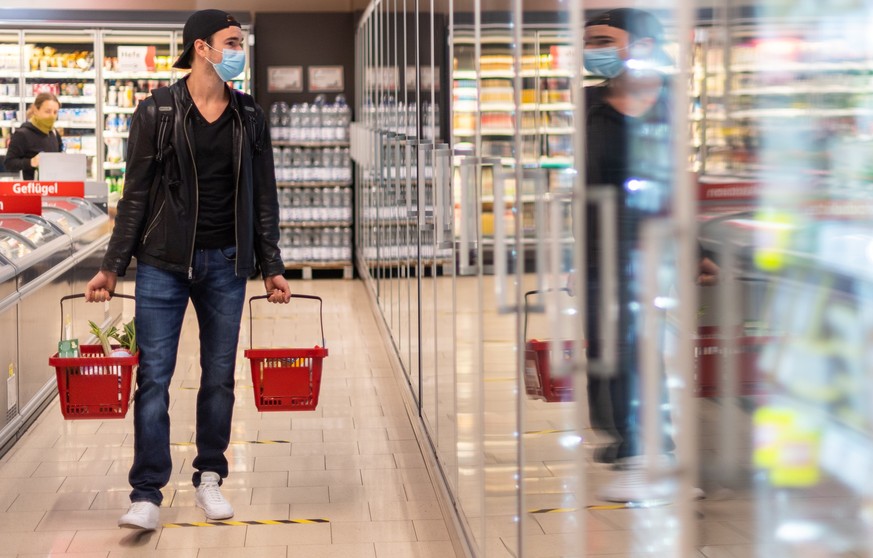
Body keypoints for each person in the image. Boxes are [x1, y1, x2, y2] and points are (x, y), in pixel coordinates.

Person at [85, 9, 291, 531]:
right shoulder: (156, 112)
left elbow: (264, 197)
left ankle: (209, 477)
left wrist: (272, 265)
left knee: (219, 377)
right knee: (153, 377)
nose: (237, 50)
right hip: (163, 263)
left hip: (226, 262)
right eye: (231, 41)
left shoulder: (250, 117)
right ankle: (147, 492)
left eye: (239, 42)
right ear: (201, 47)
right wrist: (112, 266)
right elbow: (134, 196)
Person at [582, 8, 703, 503]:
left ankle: (651, 455)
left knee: (640, 348)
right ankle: (628, 446)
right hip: (597, 246)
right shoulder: (587, 103)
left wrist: (692, 248)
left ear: (644, 45)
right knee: (612, 349)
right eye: (589, 41)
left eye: (605, 40)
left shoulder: (670, 102)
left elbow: (678, 182)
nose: (594, 50)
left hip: (651, 247)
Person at [4, 92, 62, 180]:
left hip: (53, 188)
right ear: (35, 110)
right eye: (47, 111)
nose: (52, 116)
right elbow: (9, 163)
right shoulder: (22, 134)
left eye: (55, 112)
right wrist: (31, 162)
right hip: (31, 190)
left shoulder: (54, 132)